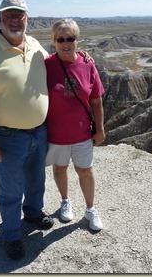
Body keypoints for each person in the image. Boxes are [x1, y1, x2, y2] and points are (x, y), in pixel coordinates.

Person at [0, 0, 54, 260]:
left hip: (39, 132)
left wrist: (80, 57)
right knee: (11, 189)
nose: (14, 20)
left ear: (27, 18)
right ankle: (12, 235)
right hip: (8, 137)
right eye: (9, 15)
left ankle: (33, 213)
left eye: (19, 15)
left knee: (36, 180)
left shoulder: (35, 45)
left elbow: (57, 67)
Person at [45, 18, 105, 231]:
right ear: (54, 41)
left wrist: (100, 128)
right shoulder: (46, 65)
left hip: (81, 133)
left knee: (85, 171)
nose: (65, 43)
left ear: (77, 40)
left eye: (70, 38)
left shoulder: (87, 65)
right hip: (56, 134)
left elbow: (96, 100)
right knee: (60, 168)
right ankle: (65, 201)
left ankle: (90, 209)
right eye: (60, 39)